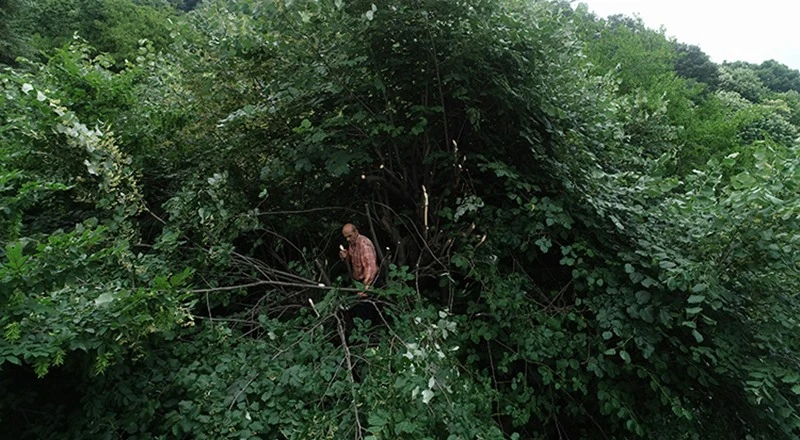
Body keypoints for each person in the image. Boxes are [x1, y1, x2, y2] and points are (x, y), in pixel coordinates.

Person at [338, 223, 378, 298]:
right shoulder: (352, 244)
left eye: (350, 236)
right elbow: (353, 257)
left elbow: (370, 268)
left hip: (369, 281)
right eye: (346, 237)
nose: (348, 239)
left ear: (356, 232)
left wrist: (365, 287)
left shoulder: (364, 244)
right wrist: (345, 255)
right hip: (358, 280)